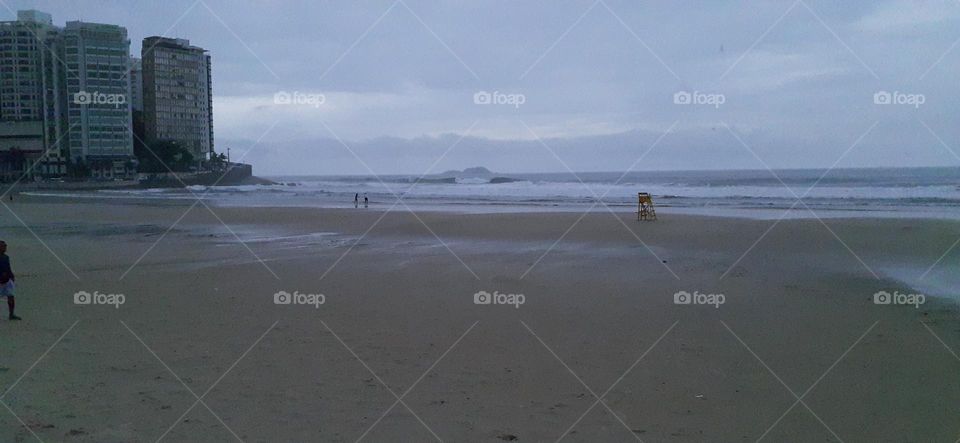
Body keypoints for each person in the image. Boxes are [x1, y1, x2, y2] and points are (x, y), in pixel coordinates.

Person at [0, 241, 20, 320]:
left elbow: (8, 268)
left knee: (11, 297)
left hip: (7, 280)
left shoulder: (6, 257)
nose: (5, 248)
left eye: (5, 246)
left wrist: (11, 275)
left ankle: (11, 314)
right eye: (3, 246)